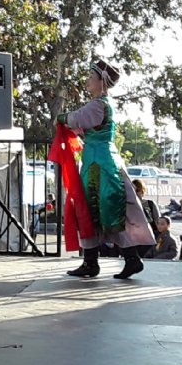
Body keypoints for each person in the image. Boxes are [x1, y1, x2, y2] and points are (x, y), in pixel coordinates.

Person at [60, 59, 156, 280]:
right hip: (101, 162)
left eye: (90, 77)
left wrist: (60, 118)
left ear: (101, 81)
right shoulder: (101, 105)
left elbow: (75, 118)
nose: (87, 81)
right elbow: (82, 124)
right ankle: (123, 259)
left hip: (99, 166)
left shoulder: (98, 105)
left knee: (96, 211)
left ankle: (96, 262)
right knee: (107, 212)